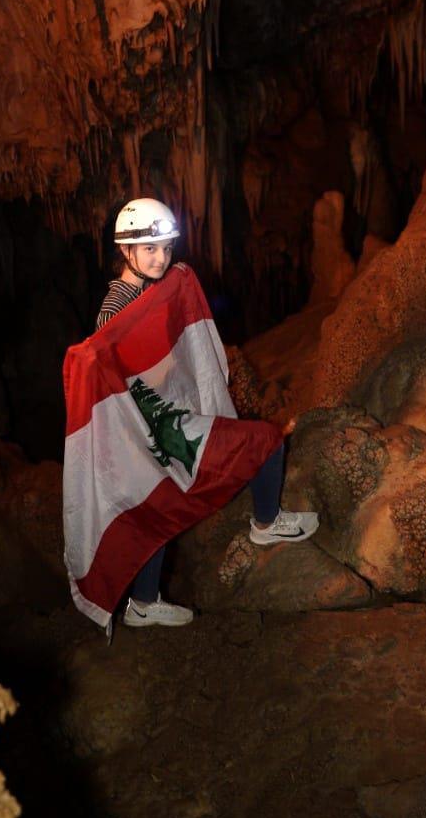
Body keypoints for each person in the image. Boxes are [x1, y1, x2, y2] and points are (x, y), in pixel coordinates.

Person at [96, 196, 319, 628]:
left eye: (165, 249)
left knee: (156, 511)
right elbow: (113, 377)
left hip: (158, 419)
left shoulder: (152, 289)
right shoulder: (116, 309)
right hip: (151, 426)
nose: (161, 258)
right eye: (150, 250)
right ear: (126, 251)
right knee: (263, 440)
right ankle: (266, 521)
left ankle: (142, 603)